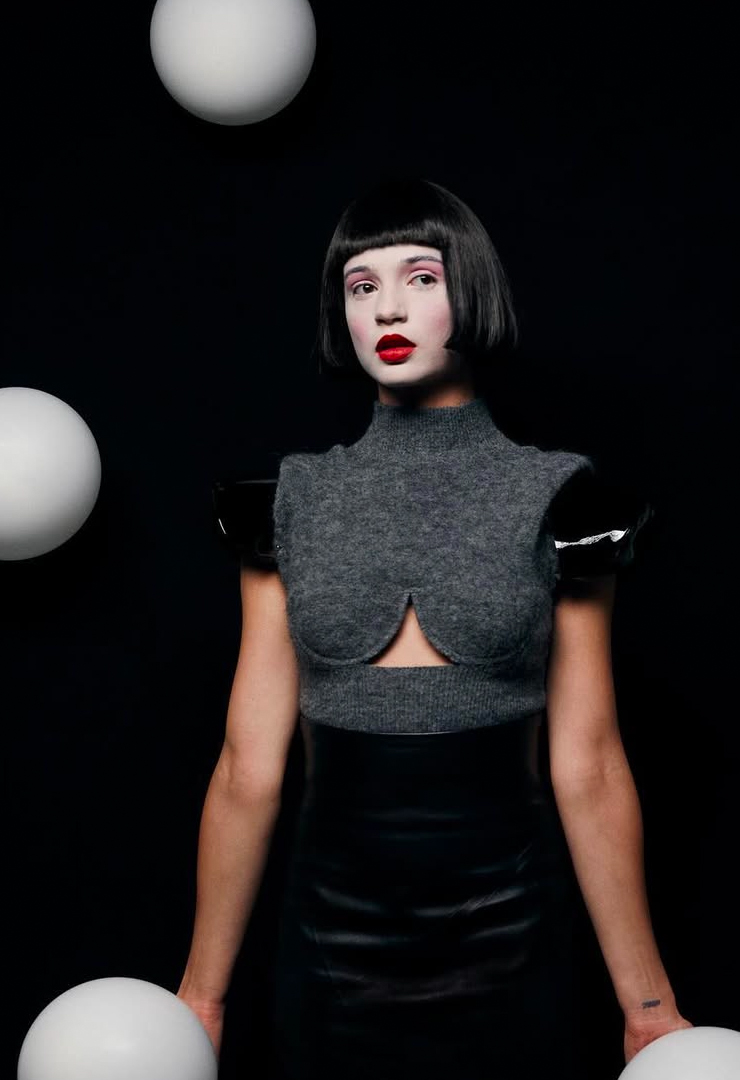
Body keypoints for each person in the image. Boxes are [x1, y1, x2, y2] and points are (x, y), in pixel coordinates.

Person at [176, 178, 690, 1078]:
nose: (390, 308)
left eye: (420, 276)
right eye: (362, 286)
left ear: (473, 292)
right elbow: (248, 768)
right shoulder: (292, 501)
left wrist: (649, 1008)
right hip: (330, 942)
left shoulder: (562, 497)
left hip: (514, 933)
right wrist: (201, 997)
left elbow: (591, 761)